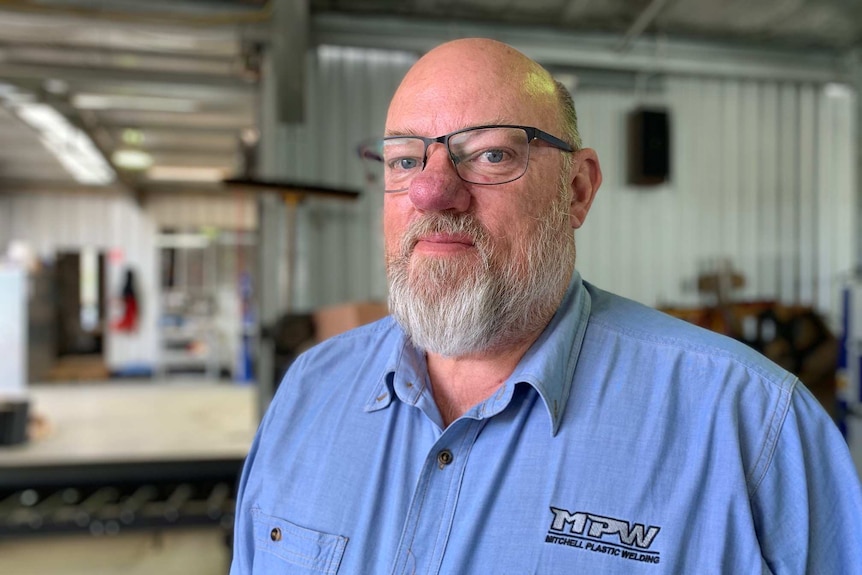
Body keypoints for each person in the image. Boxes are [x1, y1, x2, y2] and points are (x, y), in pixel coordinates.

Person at [230, 38, 862, 573]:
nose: (431, 190)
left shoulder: (752, 427)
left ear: (578, 190)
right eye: (403, 159)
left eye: (491, 154)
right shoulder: (309, 394)